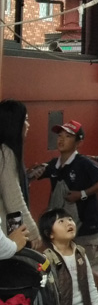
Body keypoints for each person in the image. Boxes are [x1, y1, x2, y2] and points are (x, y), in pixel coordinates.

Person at [30, 121, 98, 305]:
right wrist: (34, 172)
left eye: (68, 136)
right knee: (73, 267)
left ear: (78, 142)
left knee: (79, 268)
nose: (61, 139)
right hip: (64, 227)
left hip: (86, 225)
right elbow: (39, 172)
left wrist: (82, 194)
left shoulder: (83, 163)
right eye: (60, 135)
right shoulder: (55, 164)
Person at [0, 100, 41, 250]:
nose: (28, 125)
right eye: (25, 120)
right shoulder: (5, 153)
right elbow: (13, 200)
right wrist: (33, 231)